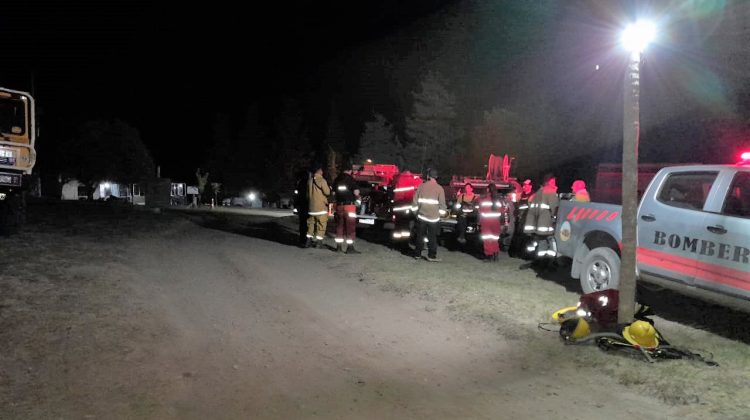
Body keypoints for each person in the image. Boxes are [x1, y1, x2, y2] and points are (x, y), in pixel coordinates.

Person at [411, 168, 447, 262]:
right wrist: (440, 215)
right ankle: (431, 256)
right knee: (432, 237)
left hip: (421, 216)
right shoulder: (439, 188)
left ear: (428, 176)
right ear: (436, 177)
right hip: (434, 218)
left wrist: (416, 214)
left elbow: (414, 202)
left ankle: (417, 254)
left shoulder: (421, 186)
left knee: (420, 236)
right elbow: (442, 205)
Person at [523, 173, 559, 258]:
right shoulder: (550, 191)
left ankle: (539, 258)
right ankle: (548, 259)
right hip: (545, 222)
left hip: (536, 223)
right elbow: (555, 207)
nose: (555, 183)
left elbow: (530, 202)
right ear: (548, 182)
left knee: (541, 240)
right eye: (553, 181)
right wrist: (556, 217)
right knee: (549, 240)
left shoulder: (538, 192)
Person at [332, 170, 361, 254]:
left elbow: (333, 193)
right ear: (349, 171)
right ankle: (350, 248)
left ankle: (339, 248)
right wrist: (358, 197)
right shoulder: (350, 179)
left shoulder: (337, 180)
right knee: (350, 227)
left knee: (339, 227)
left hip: (339, 206)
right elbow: (356, 192)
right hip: (350, 207)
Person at [305, 165, 331, 248]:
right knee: (321, 225)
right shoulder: (322, 180)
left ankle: (308, 241)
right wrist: (329, 188)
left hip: (311, 208)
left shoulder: (309, 181)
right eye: (322, 171)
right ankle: (319, 243)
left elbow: (307, 194)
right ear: (319, 171)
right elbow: (327, 192)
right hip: (321, 208)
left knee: (311, 225)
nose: (323, 172)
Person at [479, 183, 505, 261]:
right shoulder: (498, 200)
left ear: (487, 190)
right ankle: (495, 253)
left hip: (486, 222)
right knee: (494, 239)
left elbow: (480, 211)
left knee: (487, 239)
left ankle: (489, 255)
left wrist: (479, 222)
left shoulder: (483, 199)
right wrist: (502, 223)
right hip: (496, 222)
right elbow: (502, 212)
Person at [293, 169, 311, 246]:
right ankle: (307, 240)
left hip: (301, 205)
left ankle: (302, 239)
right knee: (308, 223)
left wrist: (296, 206)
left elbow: (296, 196)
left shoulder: (299, 183)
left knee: (302, 223)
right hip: (308, 205)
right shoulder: (309, 183)